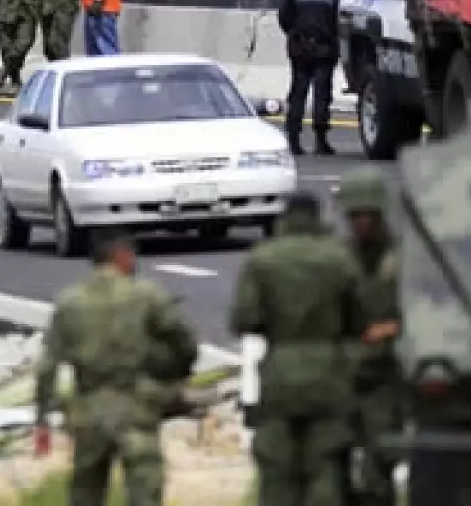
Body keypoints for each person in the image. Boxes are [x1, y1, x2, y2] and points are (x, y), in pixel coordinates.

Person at [33, 232, 200, 506]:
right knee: (145, 487)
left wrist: (41, 420)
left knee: (86, 488)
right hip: (136, 406)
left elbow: (46, 367)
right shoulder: (145, 295)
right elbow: (184, 341)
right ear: (122, 256)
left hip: (88, 410)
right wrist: (175, 378)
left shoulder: (70, 302)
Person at [230, 191, 366, 506]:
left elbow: (244, 319)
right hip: (329, 374)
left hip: (280, 372)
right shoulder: (338, 259)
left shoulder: (263, 259)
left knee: (277, 467)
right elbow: (359, 317)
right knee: (325, 464)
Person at [338, 168, 403, 506]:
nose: (361, 222)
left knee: (381, 462)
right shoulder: (339, 259)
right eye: (354, 216)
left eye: (368, 215)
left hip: (386, 376)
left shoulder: (403, 259)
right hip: (345, 374)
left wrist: (393, 328)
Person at [277, 0, 342, 156]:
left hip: (299, 47)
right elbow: (339, 19)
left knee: (298, 91)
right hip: (324, 48)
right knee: (322, 94)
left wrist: (294, 34)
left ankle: (294, 139)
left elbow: (283, 15)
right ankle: (320, 141)